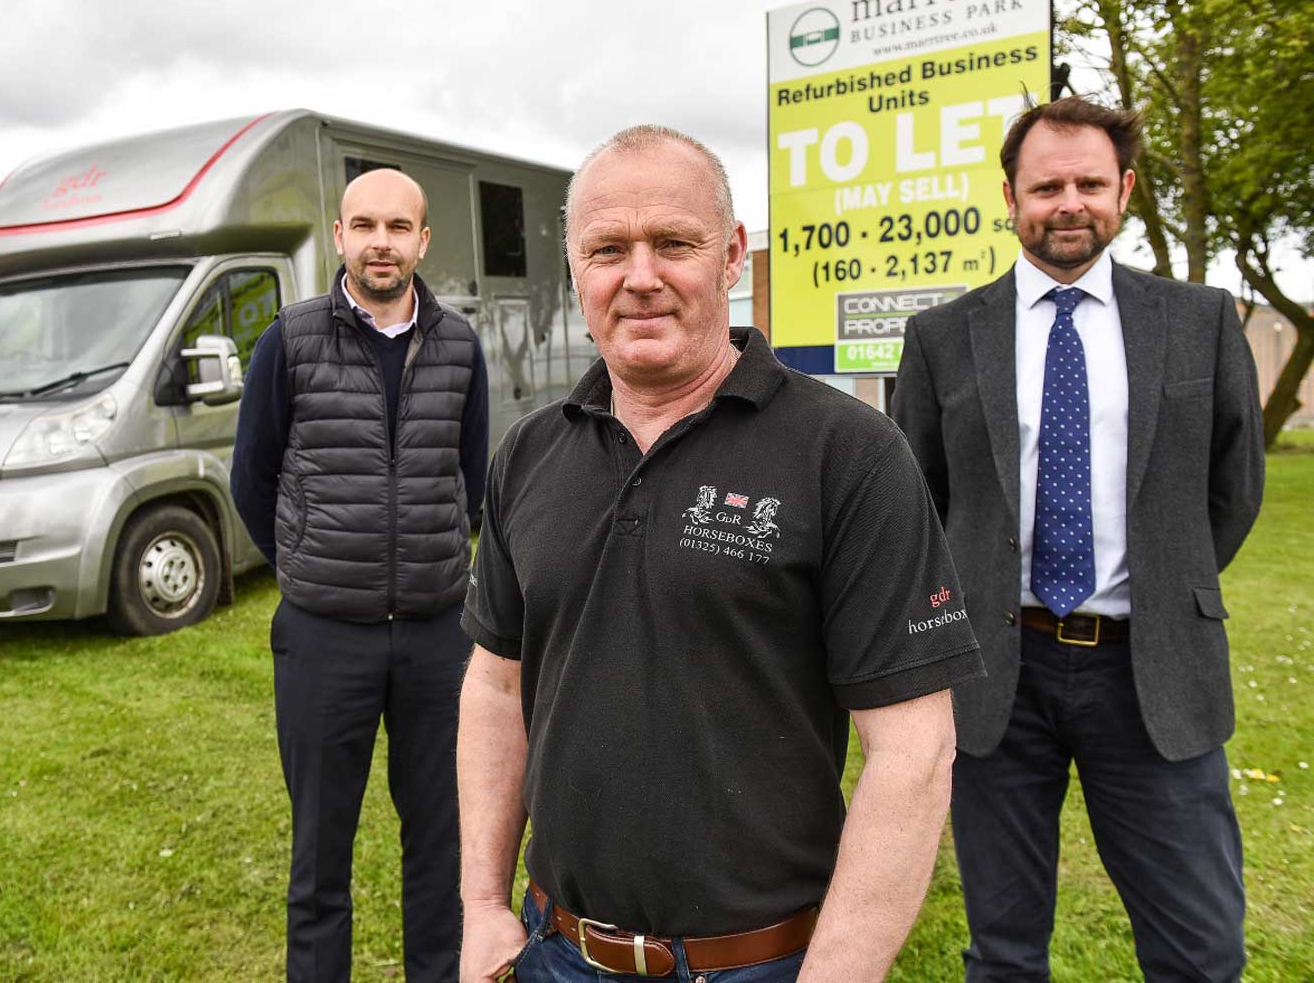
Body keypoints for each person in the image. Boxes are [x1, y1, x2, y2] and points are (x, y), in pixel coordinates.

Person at [457, 125, 986, 983]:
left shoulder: (848, 453)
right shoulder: (528, 455)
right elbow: (494, 683)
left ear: (733, 254)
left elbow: (913, 751)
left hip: (762, 965)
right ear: (574, 267)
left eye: (674, 243)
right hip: (556, 953)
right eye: (607, 249)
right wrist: (482, 907)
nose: (640, 277)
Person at [891, 96, 1265, 982]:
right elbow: (919, 503)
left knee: (1201, 950)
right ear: (1010, 198)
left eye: (1090, 183)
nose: (1070, 202)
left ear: (1124, 190)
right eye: (1047, 185)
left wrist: (1170, 583)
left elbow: (1233, 489)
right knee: (1005, 951)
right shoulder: (943, 337)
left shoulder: (1201, 321)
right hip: (995, 679)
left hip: (1154, 675)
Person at [231, 167, 490, 983]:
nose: (382, 241)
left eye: (398, 226)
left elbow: (473, 476)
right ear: (340, 237)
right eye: (365, 225)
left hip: (436, 640)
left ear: (422, 241)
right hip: (321, 640)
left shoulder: (459, 344)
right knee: (319, 860)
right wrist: (306, 566)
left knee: (442, 852)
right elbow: (253, 476)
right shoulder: (292, 337)